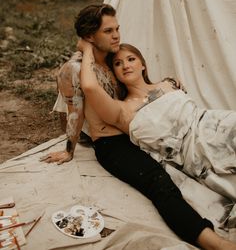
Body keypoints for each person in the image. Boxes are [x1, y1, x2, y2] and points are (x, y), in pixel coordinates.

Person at [41, 4, 236, 250]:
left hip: (140, 133)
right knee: (159, 183)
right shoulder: (75, 67)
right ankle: (214, 243)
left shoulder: (112, 60)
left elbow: (139, 89)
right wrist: (69, 149)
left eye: (117, 29)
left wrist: (165, 86)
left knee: (190, 169)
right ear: (90, 37)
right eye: (108, 31)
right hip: (112, 144)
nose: (116, 35)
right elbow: (74, 110)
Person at [79, 41, 236, 202]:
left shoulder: (168, 84)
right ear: (115, 73)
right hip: (193, 151)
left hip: (215, 124)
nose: (125, 65)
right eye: (118, 64)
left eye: (131, 59)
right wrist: (87, 49)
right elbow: (90, 86)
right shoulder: (122, 110)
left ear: (143, 65)